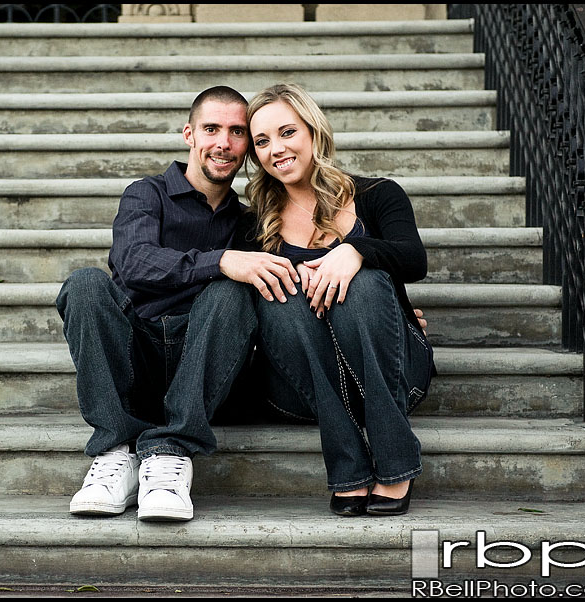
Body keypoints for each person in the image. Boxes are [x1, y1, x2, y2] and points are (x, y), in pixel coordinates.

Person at [55, 86, 301, 521]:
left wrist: (392, 303)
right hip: (140, 363)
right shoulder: (145, 195)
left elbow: (299, 268)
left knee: (232, 293)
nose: (223, 143)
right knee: (86, 284)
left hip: (205, 371)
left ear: (248, 145)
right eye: (211, 129)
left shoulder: (250, 222)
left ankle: (171, 451)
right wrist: (222, 261)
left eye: (237, 132)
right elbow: (133, 265)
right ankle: (117, 452)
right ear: (190, 134)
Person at [238, 83, 435, 516]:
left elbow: (414, 260)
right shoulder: (253, 224)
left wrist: (354, 251)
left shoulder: (378, 195)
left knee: (363, 284)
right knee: (274, 288)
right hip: (303, 386)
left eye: (287, 132)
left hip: (390, 372)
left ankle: (395, 464)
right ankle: (349, 468)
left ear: (313, 131)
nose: (277, 149)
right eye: (262, 141)